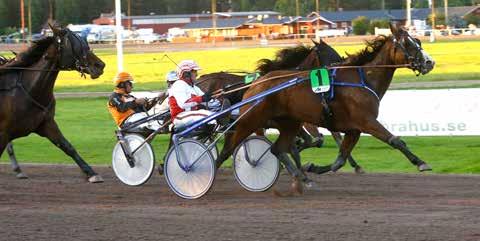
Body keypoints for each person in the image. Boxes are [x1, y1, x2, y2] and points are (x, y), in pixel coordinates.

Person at [168, 60, 214, 130]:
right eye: (194, 72)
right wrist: (201, 99)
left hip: (190, 115)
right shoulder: (179, 85)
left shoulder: (193, 87)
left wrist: (214, 97)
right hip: (180, 117)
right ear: (186, 74)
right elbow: (183, 103)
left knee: (213, 113)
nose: (197, 74)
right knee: (210, 115)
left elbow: (206, 100)